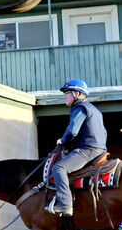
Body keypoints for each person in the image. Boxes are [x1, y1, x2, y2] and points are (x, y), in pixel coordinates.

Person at [45, 79, 107, 216]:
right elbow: (104, 133)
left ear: (77, 93)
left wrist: (62, 140)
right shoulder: (95, 110)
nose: (64, 96)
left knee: (59, 168)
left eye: (67, 93)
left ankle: (65, 205)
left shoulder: (80, 108)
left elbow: (72, 131)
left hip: (87, 150)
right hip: (99, 150)